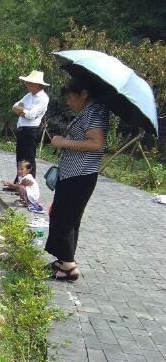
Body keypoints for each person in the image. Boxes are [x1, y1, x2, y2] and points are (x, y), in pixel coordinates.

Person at [45, 76, 109, 282]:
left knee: (65, 218)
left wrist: (64, 142)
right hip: (73, 173)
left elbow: (96, 144)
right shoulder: (89, 111)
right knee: (66, 216)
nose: (68, 102)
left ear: (84, 94)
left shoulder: (95, 112)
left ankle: (69, 267)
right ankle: (64, 261)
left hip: (80, 175)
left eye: (71, 97)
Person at [7, 70, 49, 186]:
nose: (27, 84)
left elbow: (31, 115)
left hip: (31, 130)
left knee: (29, 159)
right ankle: (18, 182)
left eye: (29, 82)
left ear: (36, 84)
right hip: (21, 129)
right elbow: (14, 107)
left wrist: (22, 111)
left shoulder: (43, 98)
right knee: (20, 159)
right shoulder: (28, 96)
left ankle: (28, 185)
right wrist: (23, 111)